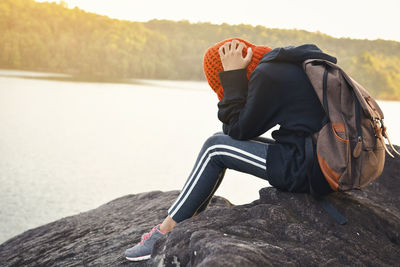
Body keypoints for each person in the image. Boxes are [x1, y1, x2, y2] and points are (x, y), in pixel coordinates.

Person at [124, 38, 336, 261]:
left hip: (310, 168)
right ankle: (188, 213)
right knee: (219, 140)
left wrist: (233, 78)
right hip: (316, 158)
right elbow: (236, 129)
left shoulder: (268, 76)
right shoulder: (284, 64)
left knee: (215, 148)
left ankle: (166, 231)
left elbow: (237, 129)